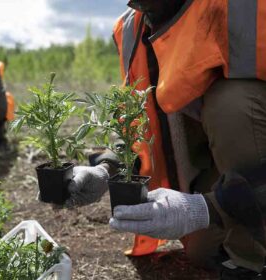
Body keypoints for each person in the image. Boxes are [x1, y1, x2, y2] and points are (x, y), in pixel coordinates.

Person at [64, 0, 266, 279]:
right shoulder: (133, 28)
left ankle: (254, 262)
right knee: (202, 249)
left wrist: (208, 208)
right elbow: (138, 122)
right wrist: (106, 168)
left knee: (230, 105)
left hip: (253, 151)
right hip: (233, 173)